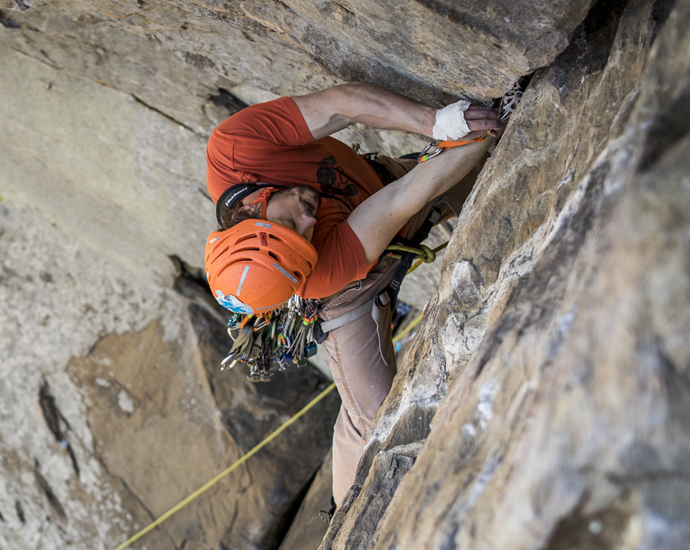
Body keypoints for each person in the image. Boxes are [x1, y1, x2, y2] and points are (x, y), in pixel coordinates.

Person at [203, 83, 500, 504]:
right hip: (349, 294)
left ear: (250, 209)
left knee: (481, 153)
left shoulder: (236, 149)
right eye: (305, 239)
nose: (310, 220)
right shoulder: (318, 272)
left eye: (290, 225)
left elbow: (340, 106)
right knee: (375, 420)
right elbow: (403, 200)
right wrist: (485, 135)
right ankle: (345, 514)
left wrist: (435, 123)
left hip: (383, 184)